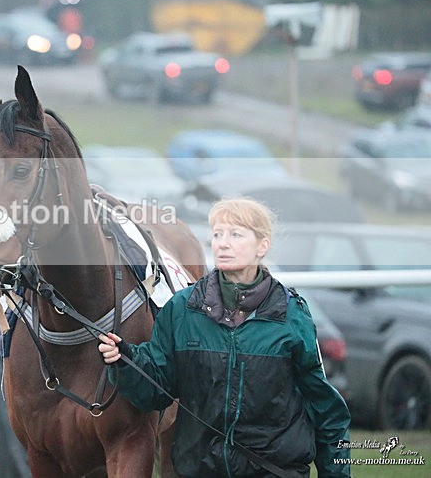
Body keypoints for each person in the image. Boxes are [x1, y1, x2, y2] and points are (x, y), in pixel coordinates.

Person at [98, 196, 351, 477]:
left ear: (262, 246)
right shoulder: (182, 309)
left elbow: (326, 410)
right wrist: (126, 362)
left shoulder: (292, 315)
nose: (222, 243)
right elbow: (156, 391)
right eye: (217, 234)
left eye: (235, 234)